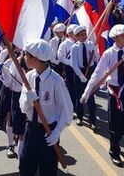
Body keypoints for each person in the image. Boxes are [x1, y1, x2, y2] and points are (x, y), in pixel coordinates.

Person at [80, 24, 124, 166]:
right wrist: (86, 92)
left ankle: (117, 138)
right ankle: (114, 151)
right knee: (114, 121)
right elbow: (97, 74)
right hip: (114, 90)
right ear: (115, 38)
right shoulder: (108, 54)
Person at [19, 39, 73, 176]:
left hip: (49, 132)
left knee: (47, 171)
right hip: (31, 130)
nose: (24, 58)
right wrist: (27, 100)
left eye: (27, 55)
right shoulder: (29, 77)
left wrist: (56, 133)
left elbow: (67, 111)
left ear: (36, 59)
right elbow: (22, 108)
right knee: (26, 169)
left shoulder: (56, 81)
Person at [70, 25, 99, 128]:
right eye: (81, 35)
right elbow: (74, 63)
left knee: (90, 96)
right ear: (77, 37)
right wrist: (81, 75)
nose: (84, 36)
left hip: (89, 71)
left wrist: (95, 53)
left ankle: (93, 120)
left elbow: (96, 58)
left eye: (85, 34)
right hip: (79, 73)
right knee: (79, 96)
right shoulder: (74, 47)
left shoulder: (91, 44)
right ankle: (80, 117)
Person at [57, 24, 78, 109]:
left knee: (78, 88)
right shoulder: (64, 44)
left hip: (79, 68)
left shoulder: (80, 43)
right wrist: (70, 63)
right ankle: (71, 106)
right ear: (69, 34)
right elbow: (60, 56)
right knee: (71, 88)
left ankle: (78, 106)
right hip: (69, 69)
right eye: (74, 33)